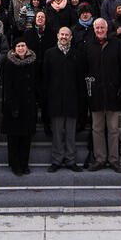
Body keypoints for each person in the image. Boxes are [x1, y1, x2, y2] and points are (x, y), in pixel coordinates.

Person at [84, 18, 121, 173]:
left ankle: (114, 159)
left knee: (113, 128)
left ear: (107, 28)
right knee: (97, 128)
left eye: (102, 27)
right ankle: (100, 158)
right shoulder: (89, 45)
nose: (99, 30)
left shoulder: (117, 44)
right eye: (97, 28)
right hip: (96, 93)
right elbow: (86, 69)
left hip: (113, 93)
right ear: (94, 29)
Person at [41, 27, 85, 172]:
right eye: (62, 34)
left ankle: (71, 160)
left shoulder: (77, 54)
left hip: (72, 99)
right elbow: (45, 78)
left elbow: (80, 79)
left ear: (71, 37)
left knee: (71, 134)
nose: (64, 37)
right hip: (55, 99)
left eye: (67, 35)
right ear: (57, 36)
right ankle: (57, 160)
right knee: (58, 133)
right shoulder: (50, 53)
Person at [1, 39, 39, 176]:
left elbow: (36, 82)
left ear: (27, 47)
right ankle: (15, 164)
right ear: (14, 49)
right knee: (14, 138)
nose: (21, 48)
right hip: (14, 106)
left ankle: (24, 164)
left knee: (26, 138)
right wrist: (11, 104)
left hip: (28, 105)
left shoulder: (32, 62)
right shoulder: (9, 63)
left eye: (23, 45)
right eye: (18, 46)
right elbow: (8, 86)